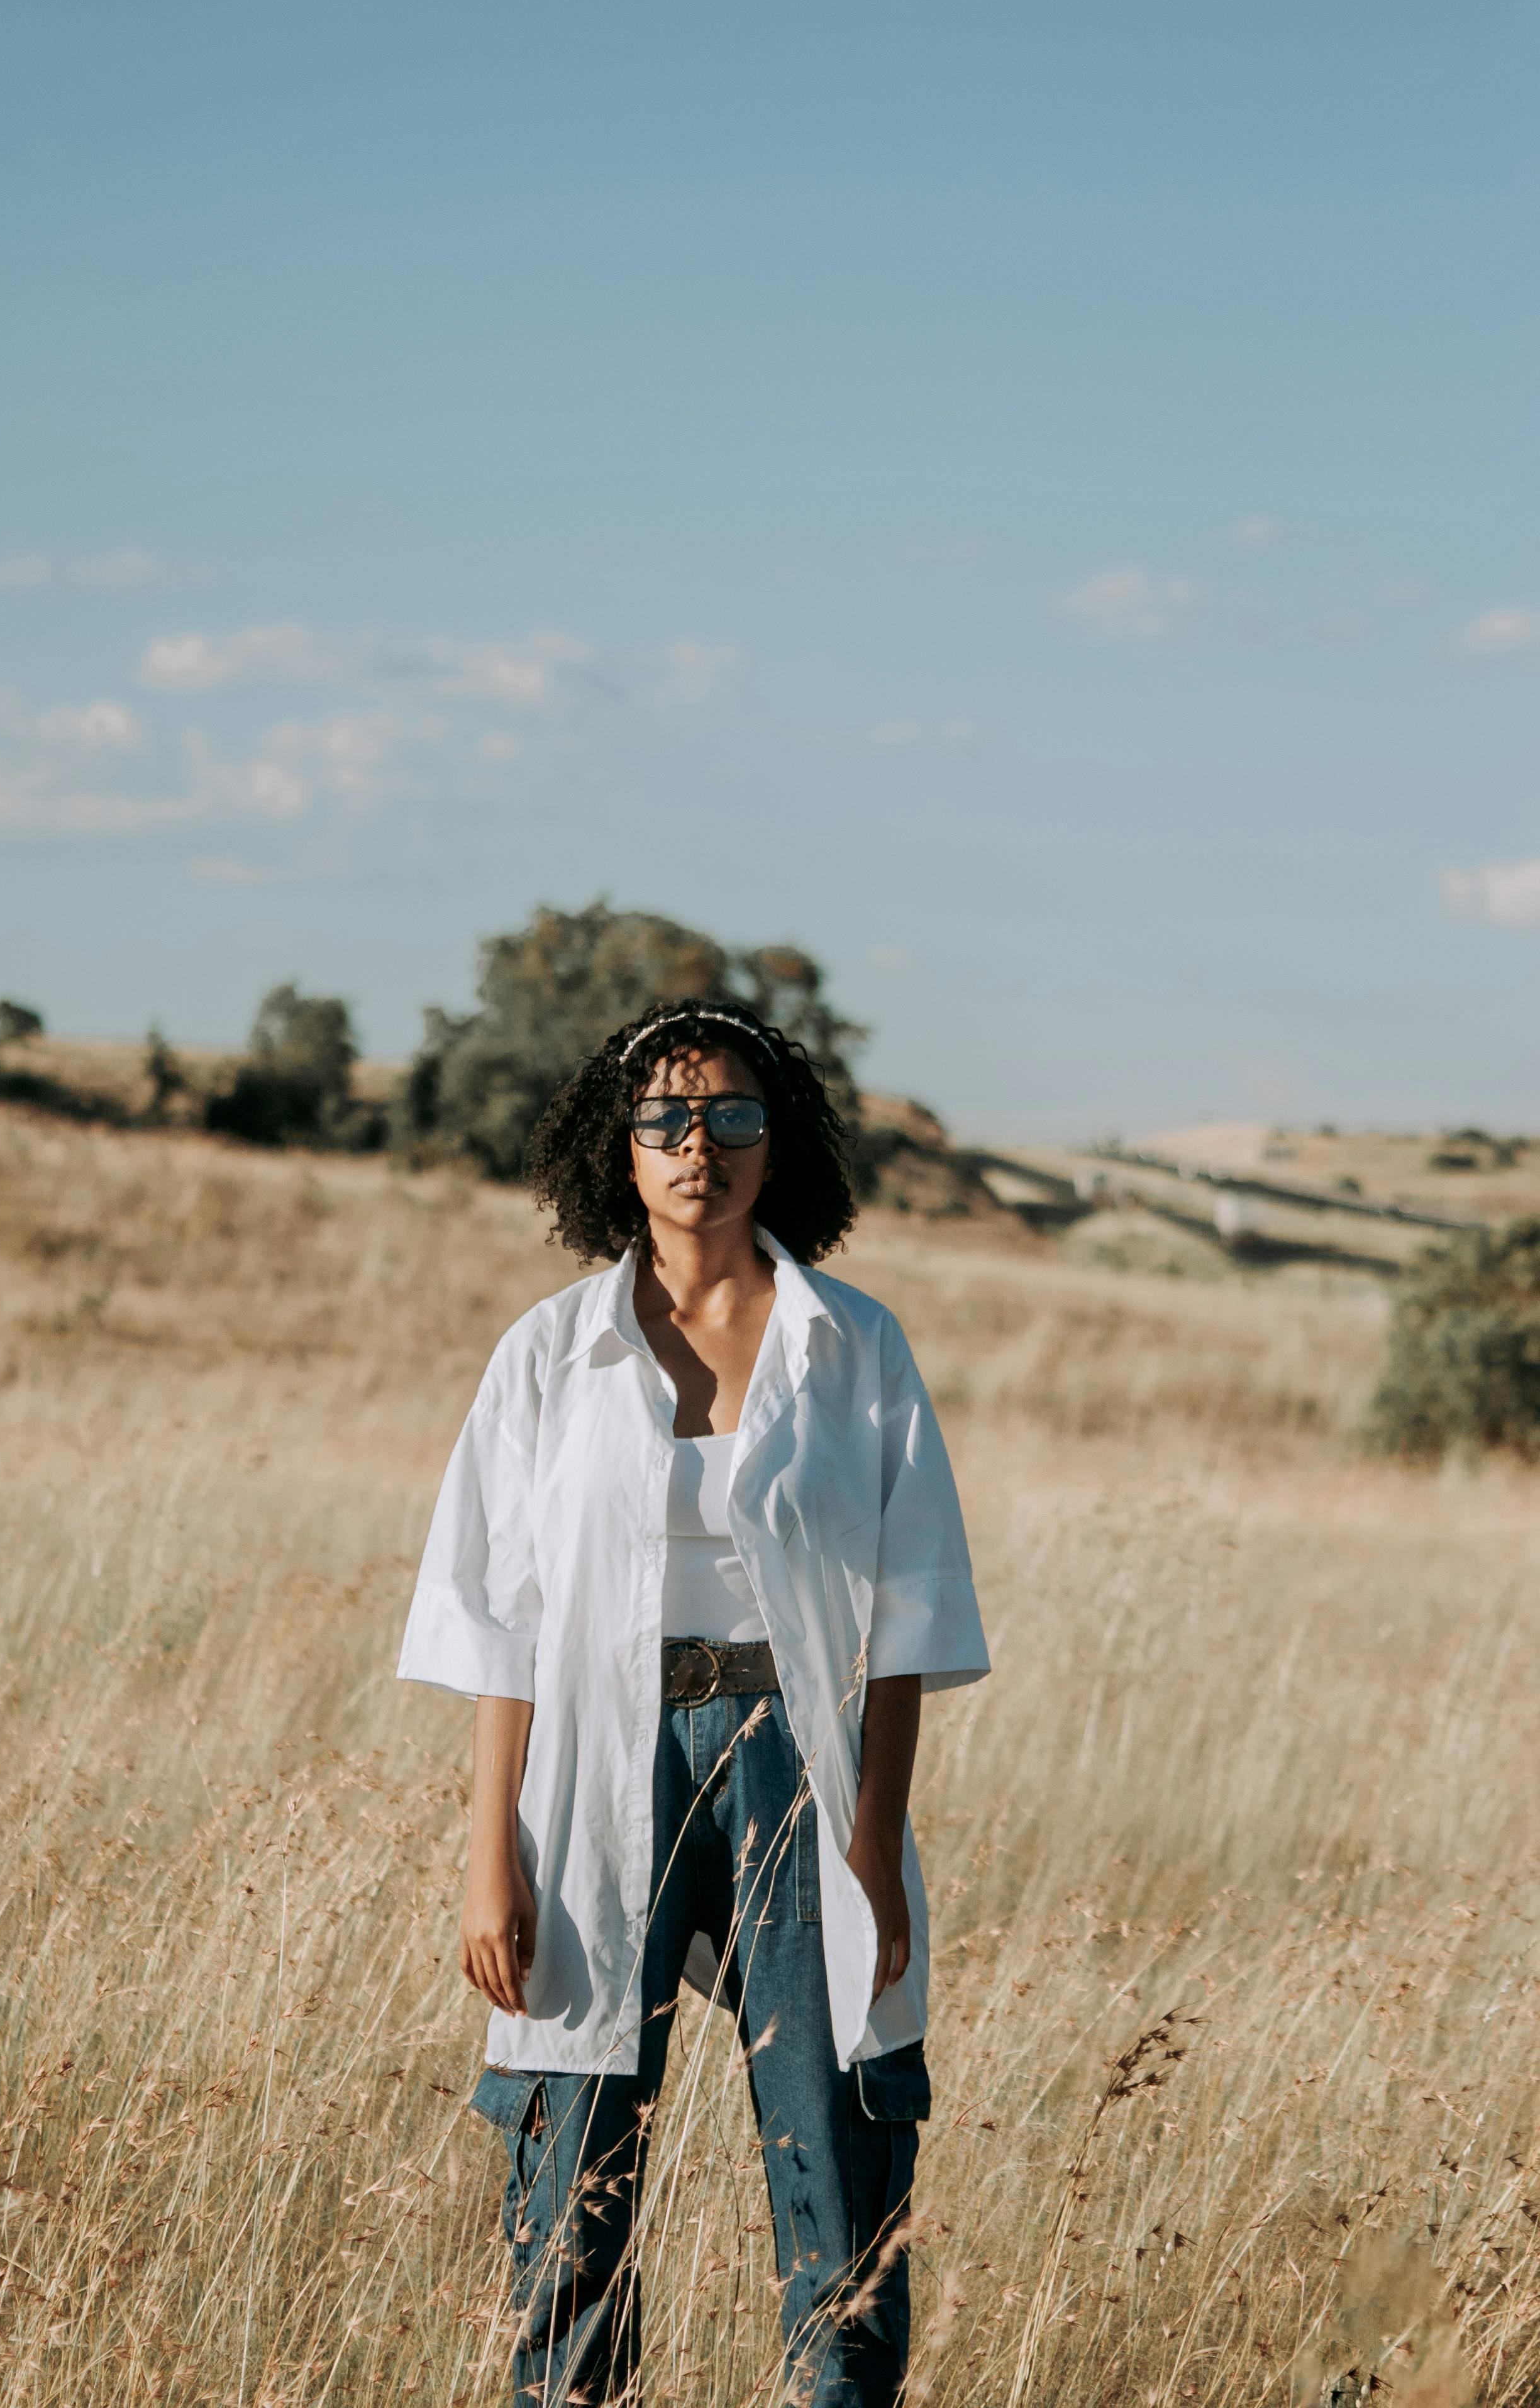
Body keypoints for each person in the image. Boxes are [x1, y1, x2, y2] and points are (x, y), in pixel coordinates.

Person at [398, 997, 988, 2407]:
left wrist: (875, 1835)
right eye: (666, 1118)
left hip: (801, 1760)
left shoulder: (854, 1347)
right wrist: (493, 1860)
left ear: (775, 1144)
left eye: (730, 1115)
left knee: (839, 2163)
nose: (697, 1146)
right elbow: (500, 1626)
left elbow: (910, 1615)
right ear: (624, 1146)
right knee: (572, 2176)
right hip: (599, 1766)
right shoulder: (548, 1354)